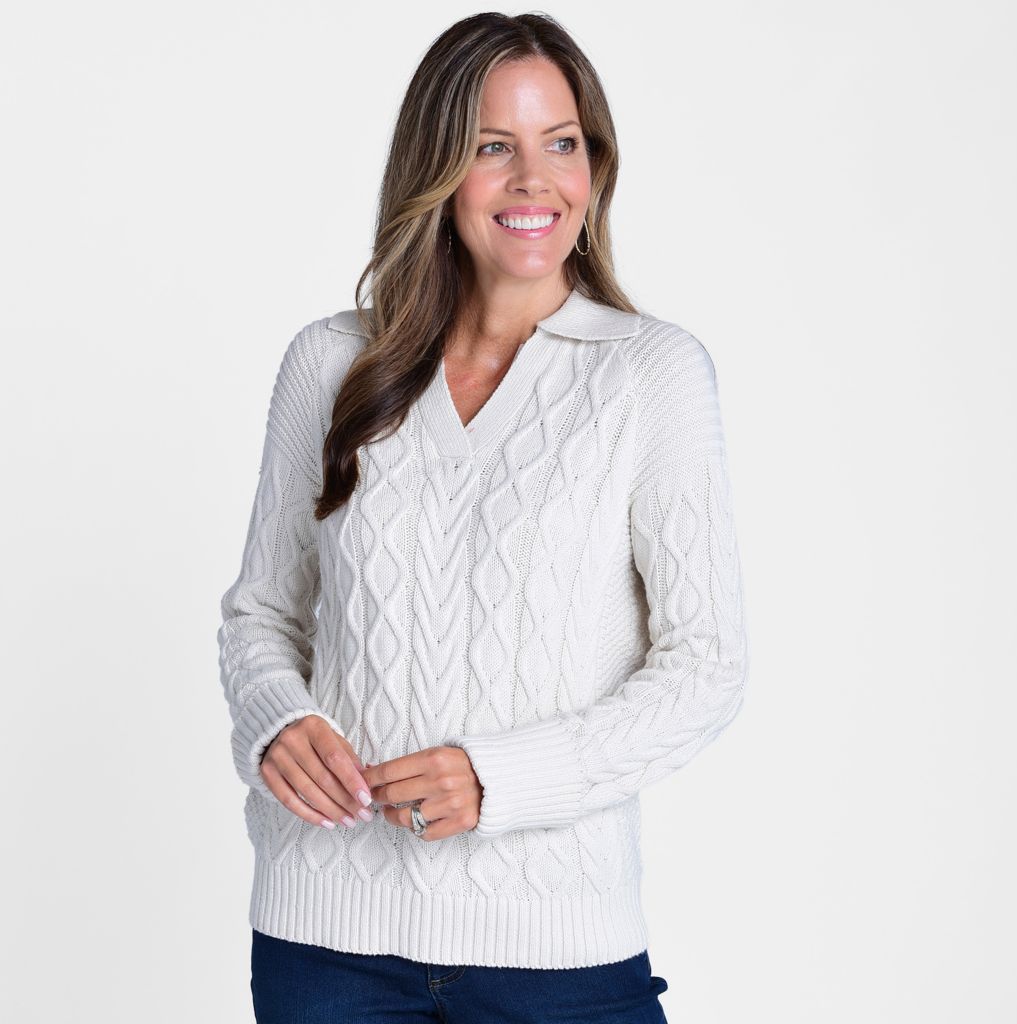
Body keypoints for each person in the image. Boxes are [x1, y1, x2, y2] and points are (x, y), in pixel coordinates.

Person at [217, 11, 748, 1023]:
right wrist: (276, 720)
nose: (534, 180)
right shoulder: (332, 362)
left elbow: (706, 665)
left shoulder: (650, 375)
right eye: (491, 147)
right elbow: (262, 614)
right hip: (325, 942)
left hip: (556, 947)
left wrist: (500, 779)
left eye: (562, 143)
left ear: (595, 166)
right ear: (436, 169)